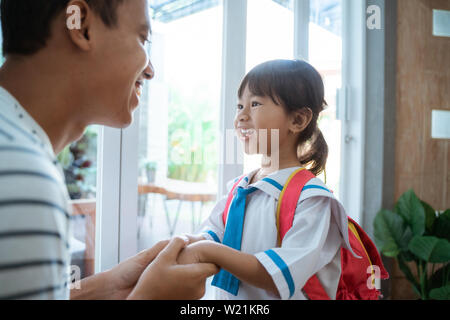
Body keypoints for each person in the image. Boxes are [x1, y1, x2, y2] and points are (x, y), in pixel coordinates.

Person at [0, 0, 218, 300]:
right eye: (142, 38)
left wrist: (107, 287)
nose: (150, 70)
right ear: (82, 26)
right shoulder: (24, 179)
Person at [176, 59, 357, 300]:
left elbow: (277, 276)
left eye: (255, 103)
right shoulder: (240, 188)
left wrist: (208, 251)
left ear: (298, 120)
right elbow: (214, 234)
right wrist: (187, 243)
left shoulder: (311, 199)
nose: (241, 116)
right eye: (239, 105)